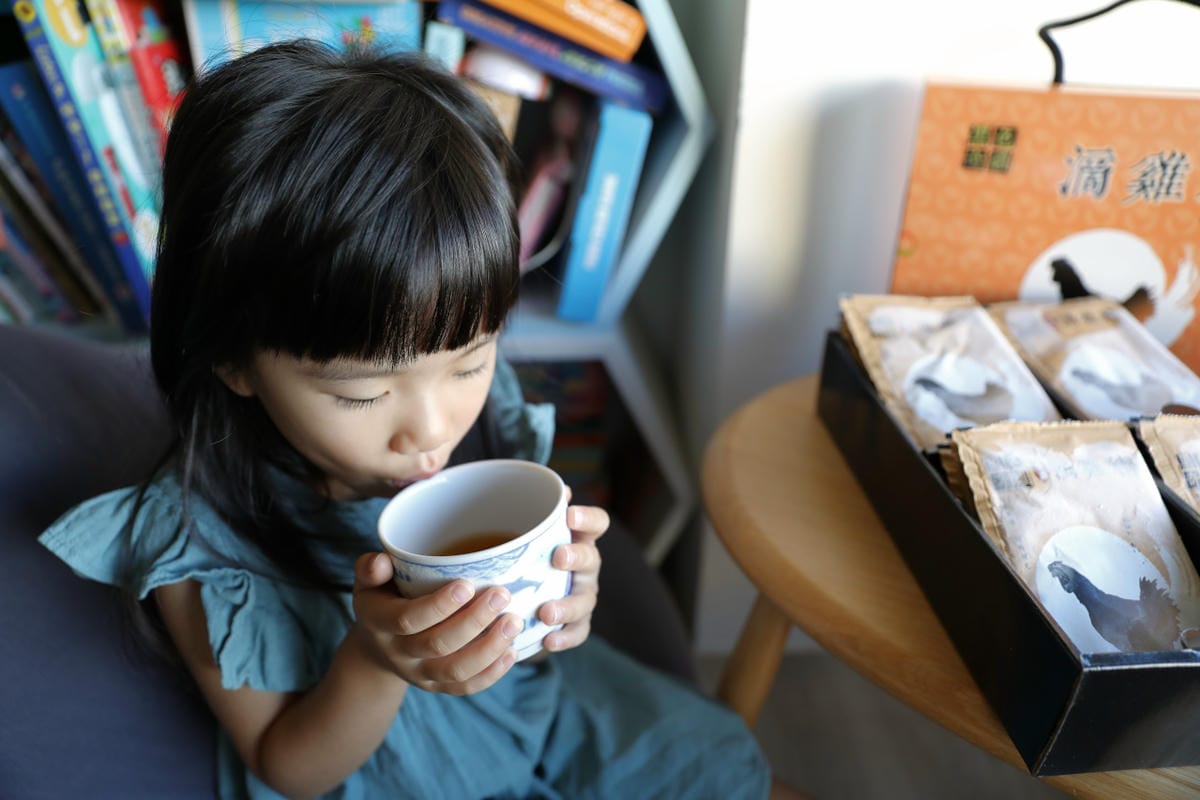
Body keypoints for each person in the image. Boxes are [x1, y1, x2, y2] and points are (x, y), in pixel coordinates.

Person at [38, 40, 781, 800]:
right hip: (398, 777)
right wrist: (375, 658)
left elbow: (519, 640)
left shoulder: (475, 418)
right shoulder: (199, 542)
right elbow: (287, 767)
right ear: (234, 360)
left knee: (715, 768)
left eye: (469, 362)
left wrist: (559, 602)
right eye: (363, 395)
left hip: (541, 712)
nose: (430, 430)